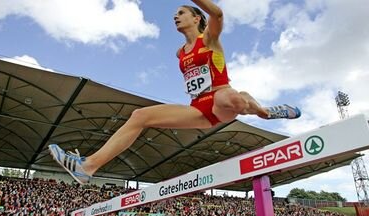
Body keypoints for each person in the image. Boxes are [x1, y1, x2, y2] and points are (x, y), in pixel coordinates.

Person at [48, 0, 301, 184]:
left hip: (221, 101)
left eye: (181, 13)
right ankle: (88, 167)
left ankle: (265, 112)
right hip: (198, 110)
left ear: (197, 18)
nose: (175, 17)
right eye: (174, 14)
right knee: (139, 116)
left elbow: (219, 13)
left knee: (232, 96)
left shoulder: (209, 39)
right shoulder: (180, 53)